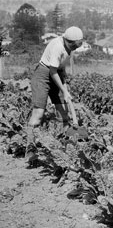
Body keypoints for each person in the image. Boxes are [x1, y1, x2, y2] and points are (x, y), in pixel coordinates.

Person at [25, 26, 84, 163]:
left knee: (63, 112)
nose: (76, 47)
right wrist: (64, 91)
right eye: (75, 44)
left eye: (79, 44)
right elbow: (52, 71)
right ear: (68, 41)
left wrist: (65, 87)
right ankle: (30, 150)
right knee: (38, 113)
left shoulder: (69, 47)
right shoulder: (58, 46)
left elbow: (60, 69)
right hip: (43, 75)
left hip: (57, 74)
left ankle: (64, 149)